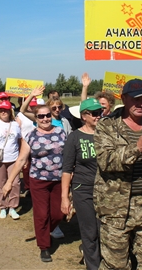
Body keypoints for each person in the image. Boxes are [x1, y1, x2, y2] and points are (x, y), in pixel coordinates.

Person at [93, 78, 142, 269]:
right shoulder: (107, 125)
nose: (140, 104)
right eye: (135, 99)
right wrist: (136, 149)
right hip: (115, 209)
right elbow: (105, 161)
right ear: (124, 99)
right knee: (116, 265)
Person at [3, 104, 67, 263]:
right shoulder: (31, 136)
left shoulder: (61, 132)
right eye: (41, 116)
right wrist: (9, 181)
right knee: (41, 214)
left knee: (59, 213)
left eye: (47, 115)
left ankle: (44, 232)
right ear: (36, 118)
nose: (45, 119)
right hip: (38, 180)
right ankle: (44, 246)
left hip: (59, 179)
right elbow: (21, 160)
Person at [61, 98, 103, 270]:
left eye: (100, 112)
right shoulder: (74, 137)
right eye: (94, 113)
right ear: (84, 116)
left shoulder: (105, 135)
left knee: (104, 230)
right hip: (83, 189)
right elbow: (66, 169)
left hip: (105, 190)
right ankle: (93, 266)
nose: (98, 116)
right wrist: (65, 197)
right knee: (90, 231)